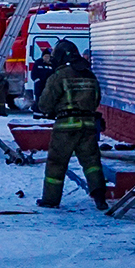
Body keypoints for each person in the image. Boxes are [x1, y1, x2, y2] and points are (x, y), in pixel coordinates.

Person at [35, 39, 108, 210]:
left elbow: (44, 104)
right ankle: (100, 198)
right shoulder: (90, 74)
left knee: (56, 163)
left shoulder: (59, 76)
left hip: (65, 128)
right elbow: (97, 98)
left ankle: (50, 200)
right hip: (89, 126)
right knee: (92, 162)